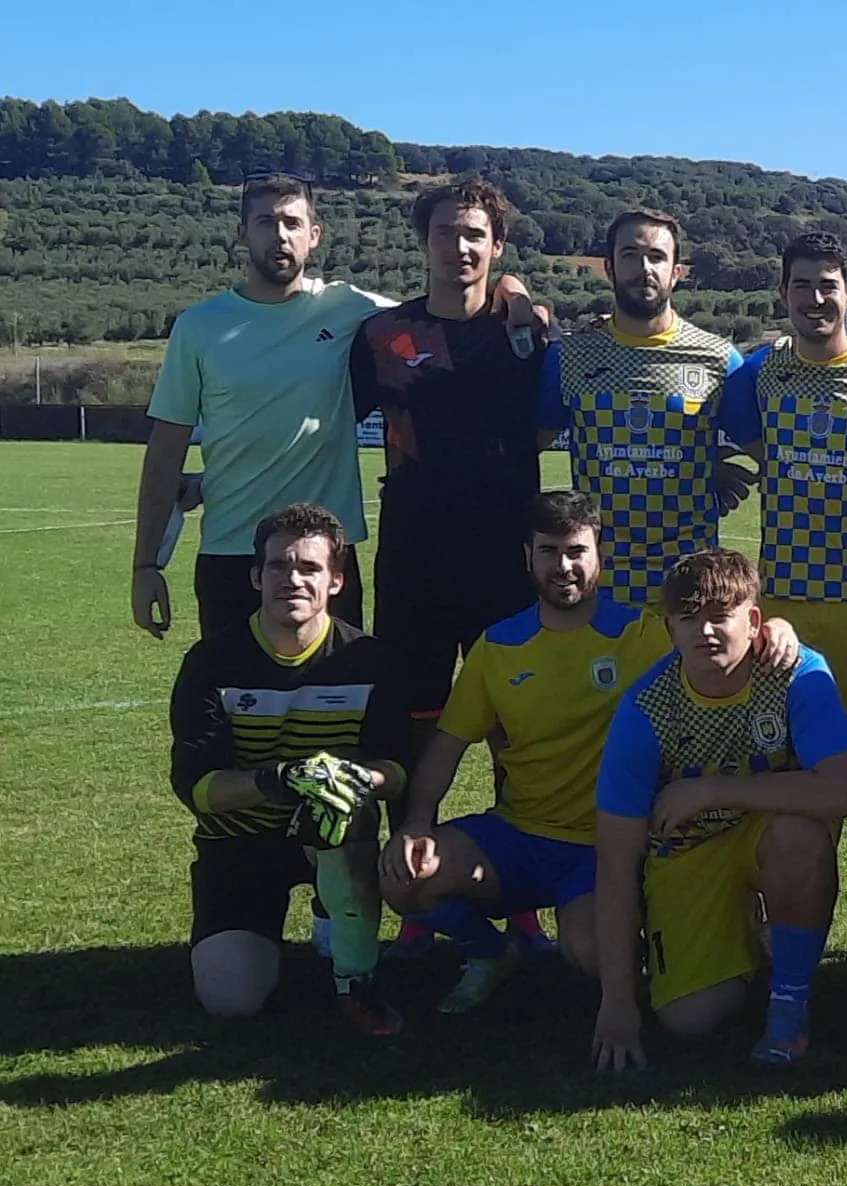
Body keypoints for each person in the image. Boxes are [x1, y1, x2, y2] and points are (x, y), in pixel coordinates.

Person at [134, 172, 538, 643]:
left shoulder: (351, 311)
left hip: (328, 556)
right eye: (265, 222)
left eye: (291, 222)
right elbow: (164, 451)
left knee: (341, 706)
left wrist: (514, 289)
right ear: (243, 233)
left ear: (314, 235)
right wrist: (146, 564)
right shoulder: (199, 328)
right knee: (233, 705)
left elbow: (444, 309)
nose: (280, 234)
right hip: (233, 553)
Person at [350, 177, 554, 957]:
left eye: (476, 234)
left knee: (516, 734)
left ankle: (524, 900)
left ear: (497, 246)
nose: (460, 246)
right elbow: (320, 423)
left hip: (509, 561)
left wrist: (525, 298)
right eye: (446, 232)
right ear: (423, 240)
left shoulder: (525, 331)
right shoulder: (381, 337)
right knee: (411, 735)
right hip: (414, 563)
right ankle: (415, 897)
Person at [375, 492, 664, 1013]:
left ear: (601, 553)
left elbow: (725, 651)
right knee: (405, 877)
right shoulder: (499, 646)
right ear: (526, 558)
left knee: (594, 958)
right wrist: (416, 822)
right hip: (518, 835)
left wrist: (775, 627)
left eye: (577, 551)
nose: (564, 567)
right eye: (549, 552)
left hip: (602, 849)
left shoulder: (644, 636)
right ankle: (491, 952)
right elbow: (446, 747)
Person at [722, 231, 847, 973]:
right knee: (781, 763)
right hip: (787, 609)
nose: (815, 298)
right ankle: (778, 914)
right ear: (784, 294)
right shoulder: (758, 373)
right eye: (801, 284)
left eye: (828, 284)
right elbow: (701, 423)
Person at [590, 550, 847, 1069]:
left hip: (766, 836)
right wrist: (617, 1003)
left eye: (720, 615)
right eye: (689, 619)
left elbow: (839, 792)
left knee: (798, 837)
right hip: (689, 851)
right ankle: (751, 935)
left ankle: (789, 1005)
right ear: (669, 628)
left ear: (753, 619)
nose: (705, 631)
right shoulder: (645, 709)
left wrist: (714, 791)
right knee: (690, 1018)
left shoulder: (797, 673)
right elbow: (616, 860)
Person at [168, 502, 412, 1033]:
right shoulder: (212, 661)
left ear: (337, 580)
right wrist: (279, 780)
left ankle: (355, 977)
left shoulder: (371, 660)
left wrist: (352, 780)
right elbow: (197, 789)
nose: (293, 579)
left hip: (332, 831)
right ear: (257, 576)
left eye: (310, 568)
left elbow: (395, 770)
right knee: (230, 998)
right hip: (240, 843)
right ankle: (265, 929)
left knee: (349, 812)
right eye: (279, 566)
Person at [538, 207, 749, 610]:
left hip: (688, 587)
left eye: (656, 256)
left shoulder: (718, 359)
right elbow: (521, 451)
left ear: (677, 272)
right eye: (630, 255)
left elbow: (772, 451)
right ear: (609, 267)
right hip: (599, 587)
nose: (644, 268)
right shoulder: (569, 356)